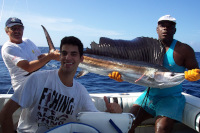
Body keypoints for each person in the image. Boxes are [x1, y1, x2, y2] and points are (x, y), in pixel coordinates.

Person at [0, 36, 122, 132]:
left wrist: (112, 112)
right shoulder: (36, 79)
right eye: (64, 53)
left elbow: (96, 119)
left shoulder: (81, 92)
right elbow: (5, 112)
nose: (68, 57)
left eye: (73, 54)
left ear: (81, 59)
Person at [109, 15, 200, 133]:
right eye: (162, 25)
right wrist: (122, 76)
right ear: (157, 29)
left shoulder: (184, 49)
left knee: (162, 128)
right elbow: (135, 71)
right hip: (149, 96)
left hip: (171, 98)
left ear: (175, 30)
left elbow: (196, 71)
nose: (166, 28)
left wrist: (195, 75)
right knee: (126, 123)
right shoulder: (148, 49)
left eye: (170, 26)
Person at [1, 17, 60, 91]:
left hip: (37, 85)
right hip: (23, 89)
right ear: (7, 31)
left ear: (23, 29)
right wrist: (50, 56)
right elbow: (28, 67)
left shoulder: (27, 41)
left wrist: (55, 55)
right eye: (13, 28)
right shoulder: (8, 47)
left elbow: (39, 57)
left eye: (19, 28)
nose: (17, 31)